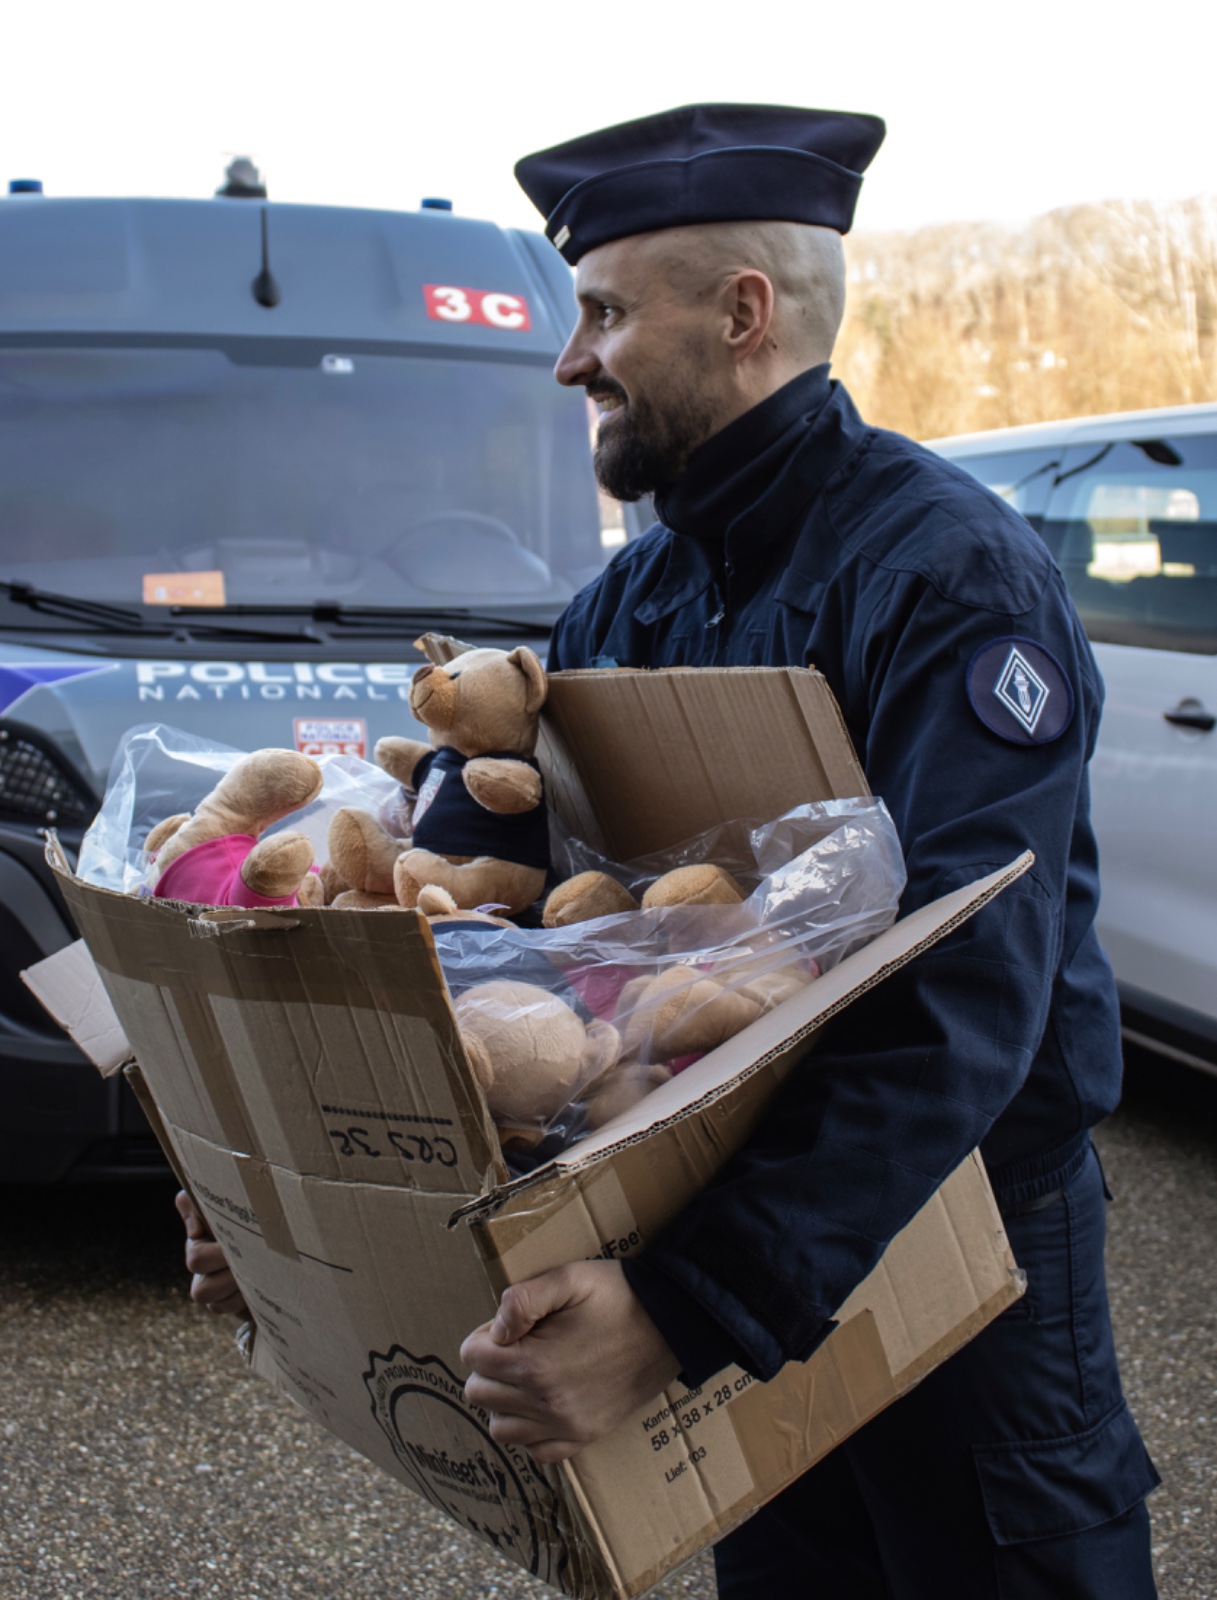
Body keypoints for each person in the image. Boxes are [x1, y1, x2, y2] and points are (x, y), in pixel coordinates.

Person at [184, 105, 1161, 1598]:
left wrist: (687, 1310)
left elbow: (963, 990)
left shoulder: (944, 577)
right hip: (723, 1235)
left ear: (742, 316)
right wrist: (290, 1197)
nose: (570, 359)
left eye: (602, 315)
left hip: (952, 1252)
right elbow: (520, 958)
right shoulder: (624, 603)